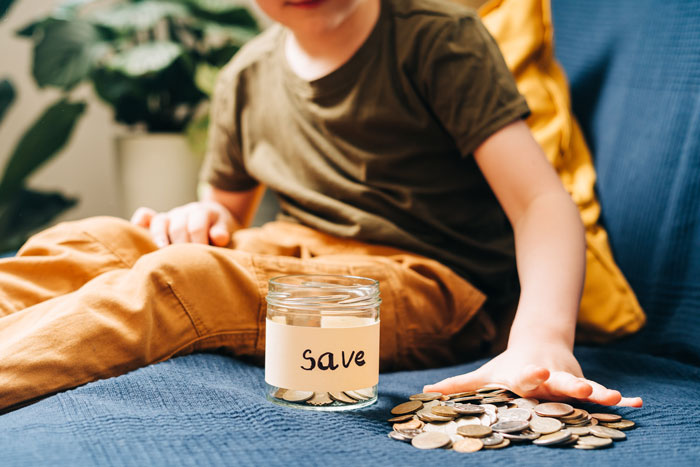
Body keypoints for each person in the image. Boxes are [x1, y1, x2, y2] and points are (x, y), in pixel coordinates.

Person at [0, 0, 642, 412]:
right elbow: (223, 214)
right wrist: (205, 220)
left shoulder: (438, 40)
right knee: (90, 242)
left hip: (433, 289)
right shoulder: (245, 76)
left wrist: (543, 338)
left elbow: (538, 202)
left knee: (184, 283)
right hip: (289, 247)